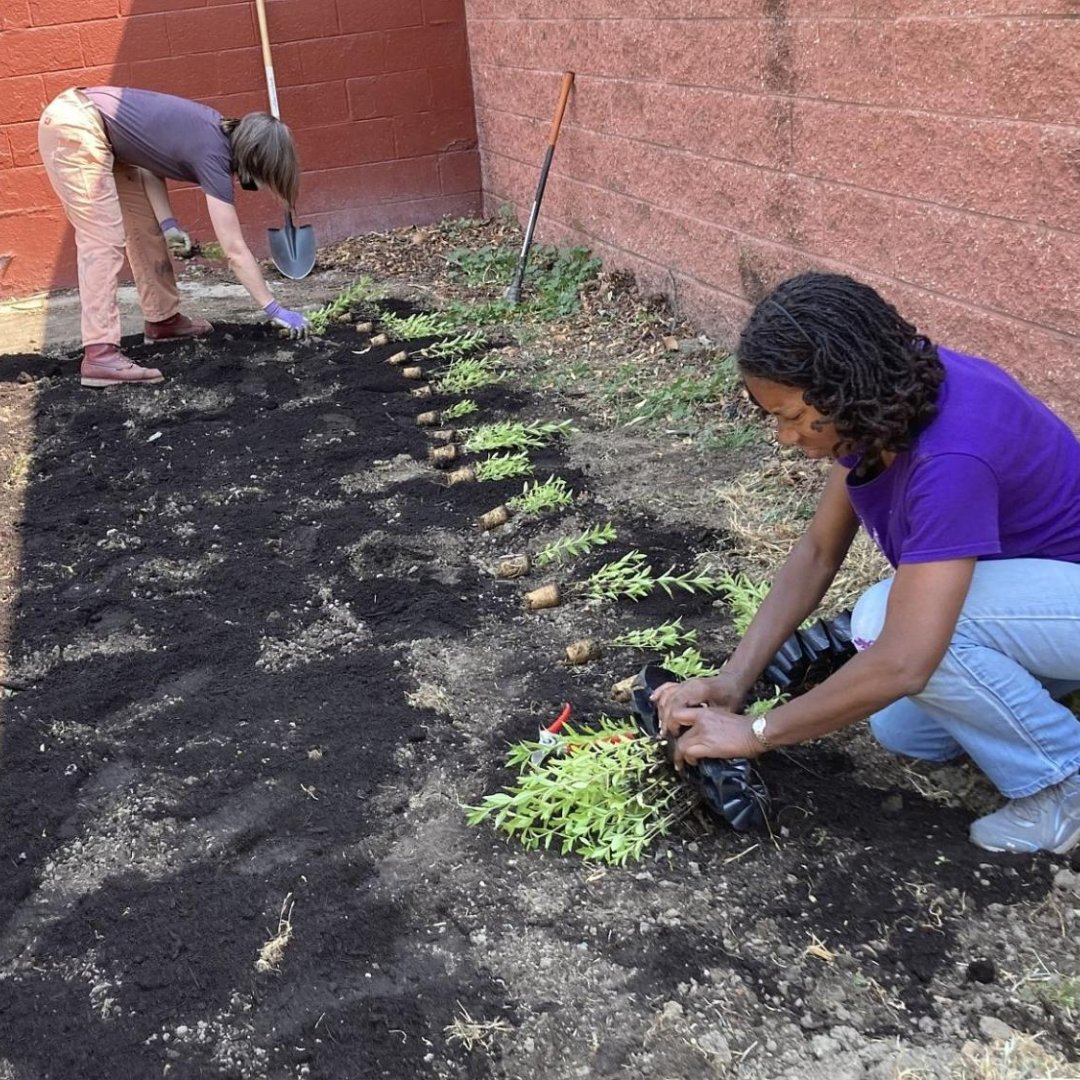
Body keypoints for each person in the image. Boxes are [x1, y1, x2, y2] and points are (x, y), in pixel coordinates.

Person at [655, 272, 1080, 854]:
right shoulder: (882, 402)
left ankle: (1064, 783)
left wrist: (756, 732)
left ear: (841, 388)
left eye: (797, 417)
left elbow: (905, 660)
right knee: (901, 729)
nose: (785, 437)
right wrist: (733, 681)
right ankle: (1042, 691)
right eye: (774, 418)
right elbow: (818, 552)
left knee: (885, 626)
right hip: (1039, 607)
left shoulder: (951, 452)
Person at [37, 86, 310, 388]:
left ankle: (162, 320)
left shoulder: (214, 132)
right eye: (266, 175)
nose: (259, 184)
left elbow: (151, 163)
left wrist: (169, 225)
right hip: (77, 125)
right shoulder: (214, 154)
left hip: (111, 140)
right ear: (255, 159)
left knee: (144, 231)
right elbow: (234, 249)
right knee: (103, 239)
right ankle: (100, 354)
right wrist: (274, 309)